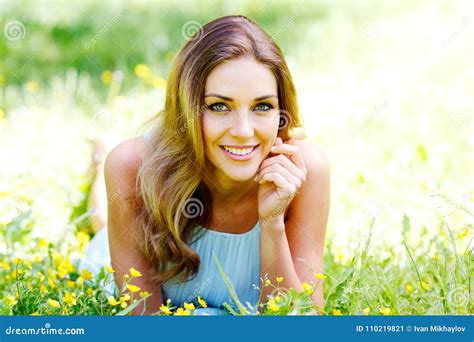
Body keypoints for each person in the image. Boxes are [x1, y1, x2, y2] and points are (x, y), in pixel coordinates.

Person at [82, 14, 330, 316]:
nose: (243, 131)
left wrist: (272, 222)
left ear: (281, 112)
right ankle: (99, 156)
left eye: (261, 106)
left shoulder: (304, 172)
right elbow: (143, 322)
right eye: (219, 106)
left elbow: (301, 322)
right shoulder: (130, 167)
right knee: (102, 222)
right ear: (187, 108)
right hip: (117, 232)